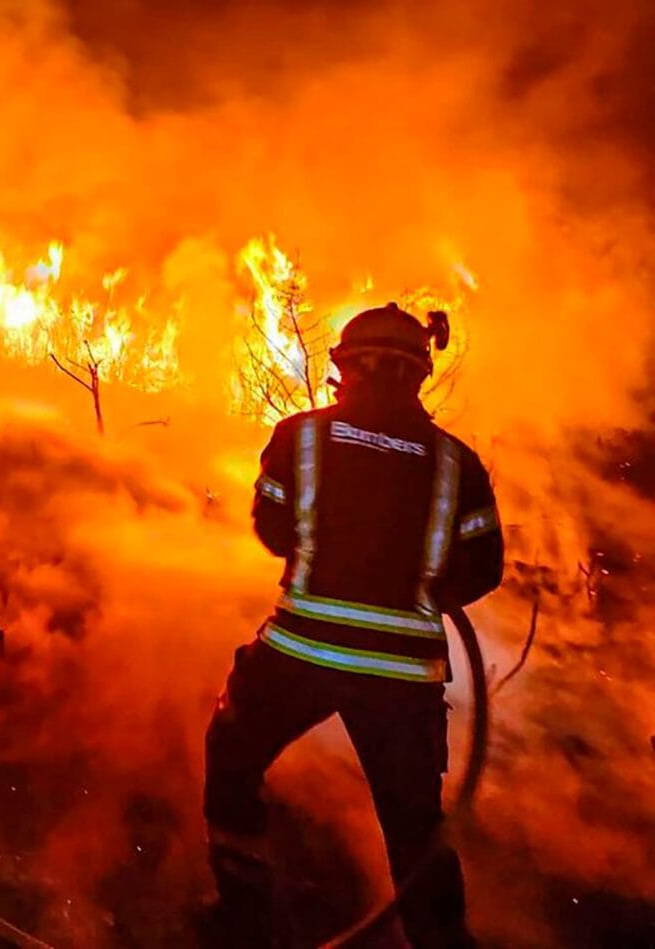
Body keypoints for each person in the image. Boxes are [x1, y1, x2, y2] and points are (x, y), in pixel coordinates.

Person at [204, 303, 503, 947]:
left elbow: (271, 529)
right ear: (417, 374)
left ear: (349, 366)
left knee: (233, 751)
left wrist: (326, 554)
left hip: (298, 656)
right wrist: (416, 587)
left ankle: (241, 906)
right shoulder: (460, 463)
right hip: (403, 677)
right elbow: (482, 569)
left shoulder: (300, 437)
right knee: (415, 827)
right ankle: (441, 940)